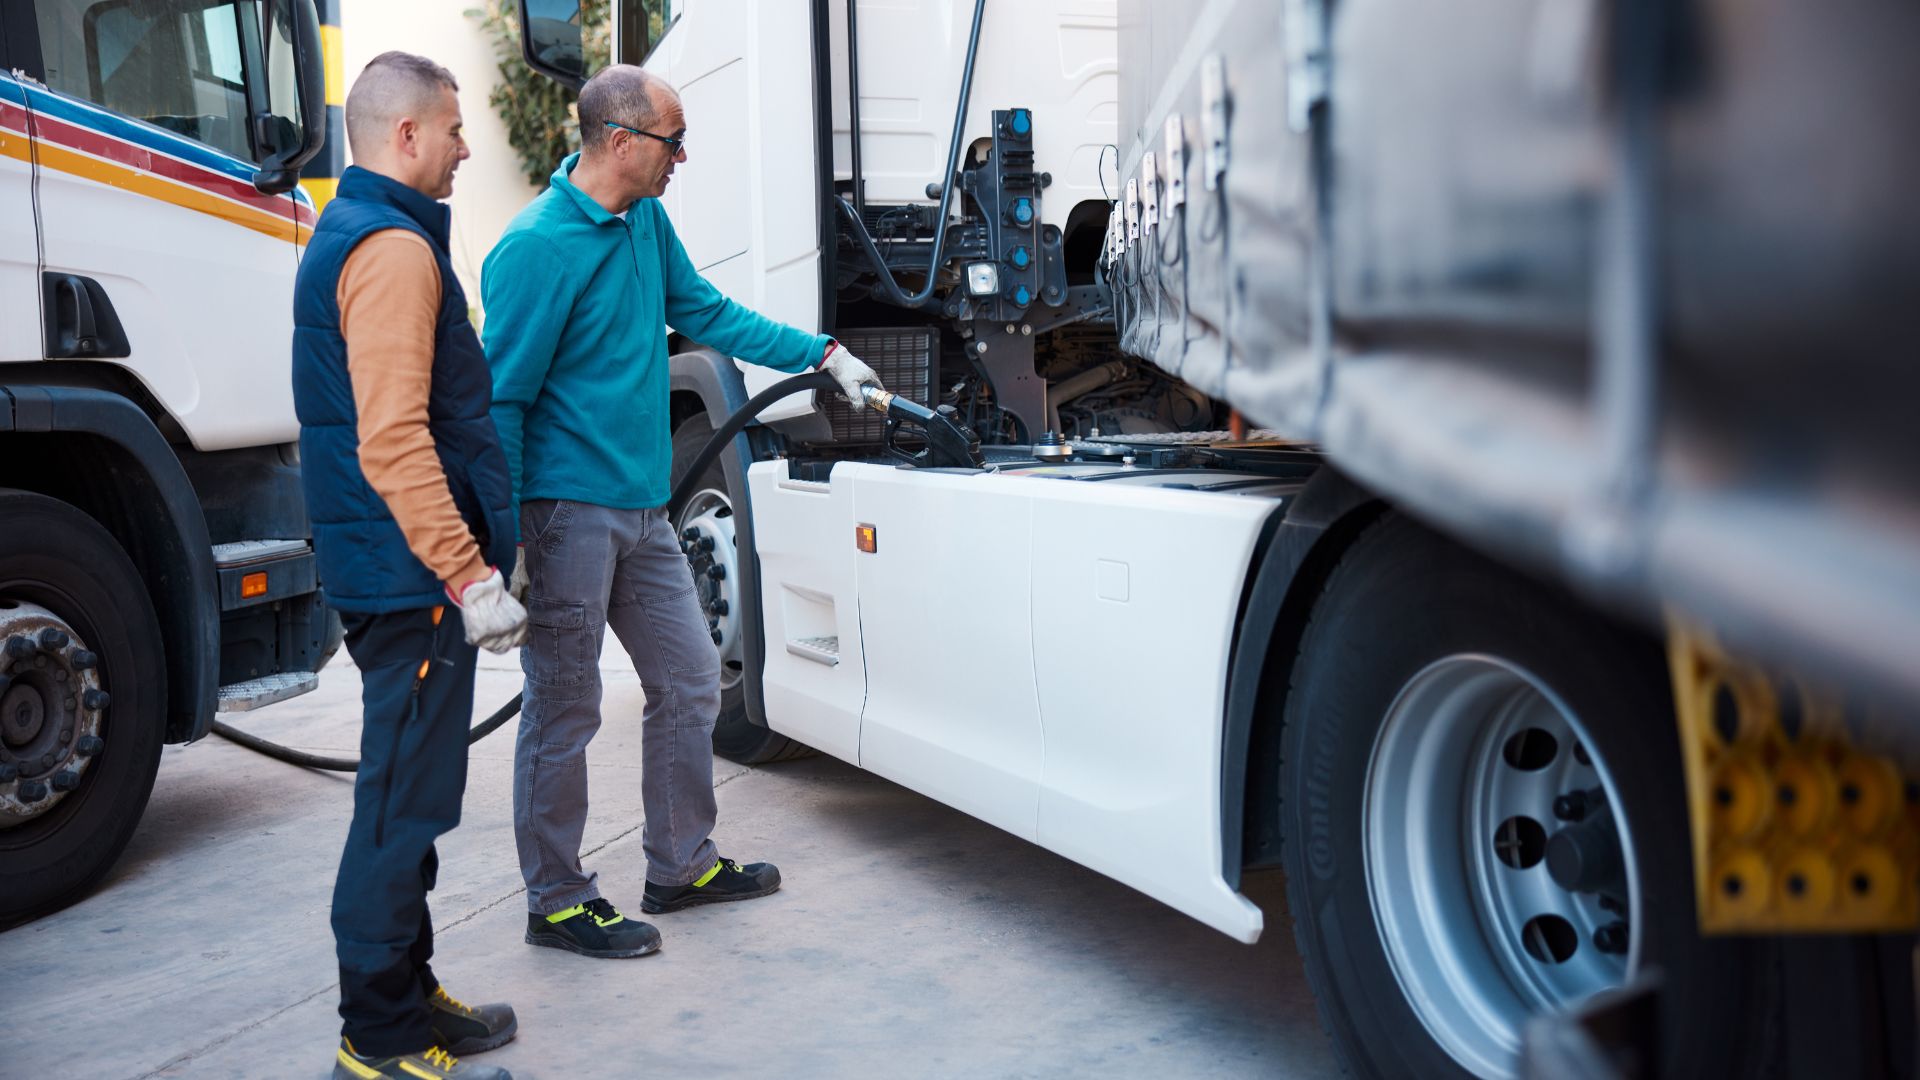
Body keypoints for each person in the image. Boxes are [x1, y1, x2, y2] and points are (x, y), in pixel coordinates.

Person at [482, 64, 881, 959]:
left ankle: (679, 863)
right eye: (672, 139)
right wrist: (502, 537)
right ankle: (557, 899)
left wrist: (822, 353)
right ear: (620, 141)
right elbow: (501, 401)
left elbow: (706, 312)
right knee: (565, 706)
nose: (683, 156)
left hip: (642, 508)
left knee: (693, 678)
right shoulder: (535, 247)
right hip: (564, 514)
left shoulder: (644, 224)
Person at [292, 51, 527, 1080]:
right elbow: (392, 438)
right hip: (412, 578)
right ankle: (376, 1036)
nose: (467, 147)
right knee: (399, 806)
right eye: (455, 128)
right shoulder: (392, 250)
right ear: (405, 137)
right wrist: (468, 574)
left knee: (414, 799)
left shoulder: (371, 234)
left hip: (395, 568)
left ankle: (408, 989)